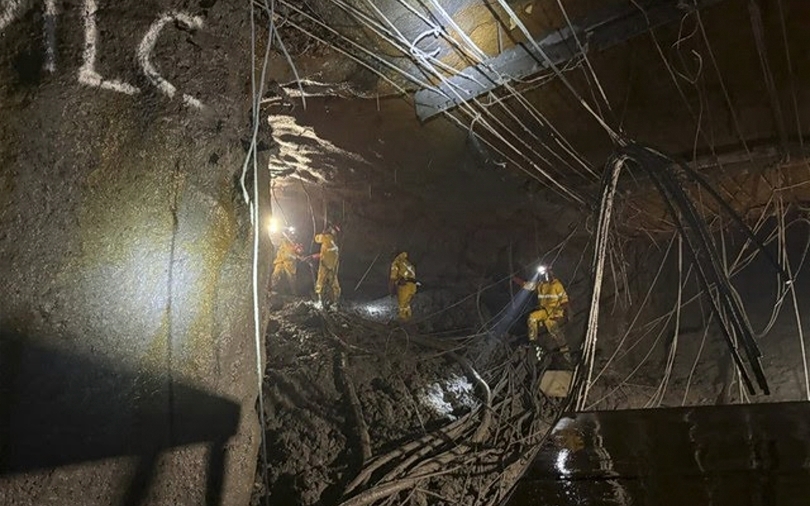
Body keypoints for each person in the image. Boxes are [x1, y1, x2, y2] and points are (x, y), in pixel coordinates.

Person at [525, 265, 571, 362]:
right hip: (545, 312)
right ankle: (533, 343)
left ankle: (566, 355)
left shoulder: (556, 285)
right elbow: (527, 285)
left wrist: (564, 313)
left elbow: (565, 301)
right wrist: (514, 279)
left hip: (554, 313)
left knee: (556, 333)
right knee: (532, 317)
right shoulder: (540, 286)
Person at [313, 224, 341, 307]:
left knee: (321, 281)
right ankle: (335, 301)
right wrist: (319, 255)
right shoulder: (336, 241)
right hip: (333, 265)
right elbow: (329, 252)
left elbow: (316, 238)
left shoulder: (326, 237)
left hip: (325, 265)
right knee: (334, 282)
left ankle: (320, 300)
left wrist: (323, 233)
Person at [271, 229, 303, 295]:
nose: (292, 236)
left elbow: (300, 252)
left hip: (290, 264)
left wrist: (297, 250)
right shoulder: (283, 241)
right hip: (281, 261)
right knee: (276, 274)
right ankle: (274, 289)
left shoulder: (296, 244)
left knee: (292, 280)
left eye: (293, 235)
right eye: (290, 234)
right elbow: (274, 241)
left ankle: (294, 293)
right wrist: (273, 233)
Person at [389, 251, 418, 321]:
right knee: (407, 304)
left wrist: (391, 290)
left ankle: (403, 322)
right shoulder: (407, 263)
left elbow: (393, 278)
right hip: (413, 286)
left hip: (405, 285)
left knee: (402, 306)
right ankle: (409, 320)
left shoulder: (396, 263)